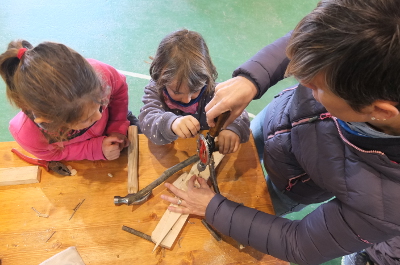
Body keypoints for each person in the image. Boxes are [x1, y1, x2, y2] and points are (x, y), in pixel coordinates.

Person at [160, 1, 400, 265]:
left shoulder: (387, 200)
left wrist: (212, 208)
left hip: (293, 187)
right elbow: (311, 44)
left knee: (263, 206)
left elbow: (300, 243)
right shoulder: (381, 24)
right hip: (279, 121)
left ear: (380, 111)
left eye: (317, 86)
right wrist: (252, 78)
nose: (302, 82)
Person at [0, 40, 137, 161]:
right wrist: (96, 149)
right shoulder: (29, 135)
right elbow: (52, 154)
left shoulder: (102, 75)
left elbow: (119, 89)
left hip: (116, 119)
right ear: (49, 121)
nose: (99, 115)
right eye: (86, 119)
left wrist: (117, 126)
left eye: (100, 103)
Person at [138, 29, 250, 154]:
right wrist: (171, 123)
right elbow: (148, 123)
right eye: (177, 92)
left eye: (195, 91)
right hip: (170, 152)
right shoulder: (155, 91)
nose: (187, 100)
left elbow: (240, 114)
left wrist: (232, 129)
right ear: (160, 77)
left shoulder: (212, 90)